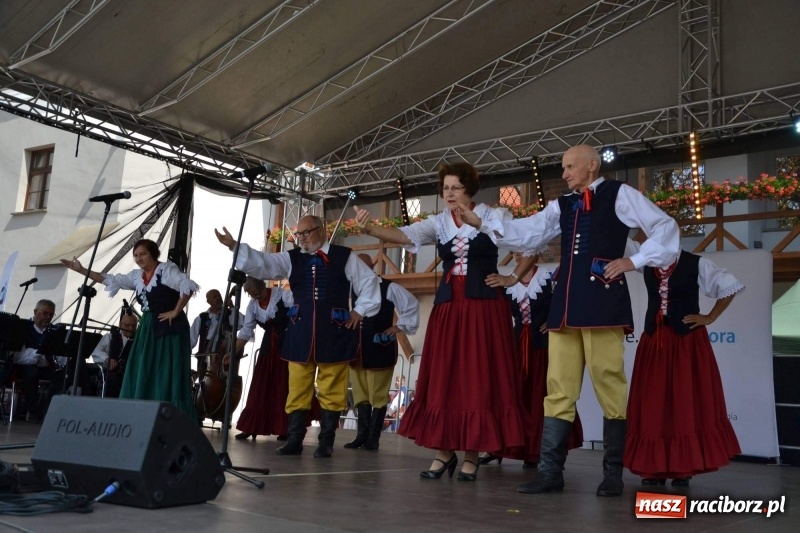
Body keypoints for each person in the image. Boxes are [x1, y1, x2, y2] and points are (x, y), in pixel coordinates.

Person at [458, 144, 680, 496]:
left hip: (602, 305)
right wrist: (483, 223)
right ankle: (550, 472)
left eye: (569, 167)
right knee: (558, 388)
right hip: (565, 307)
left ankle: (612, 475)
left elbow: (665, 228)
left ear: (592, 165)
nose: (563, 174)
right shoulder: (562, 205)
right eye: (562, 167)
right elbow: (529, 233)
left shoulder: (619, 194)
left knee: (609, 384)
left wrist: (632, 262)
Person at [353, 162, 528, 482]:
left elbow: (529, 244)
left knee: (478, 378)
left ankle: (473, 452)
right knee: (445, 378)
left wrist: (511, 277)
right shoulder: (439, 223)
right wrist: (370, 229)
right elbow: (403, 235)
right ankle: (445, 451)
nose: (449, 193)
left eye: (455, 188)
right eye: (445, 188)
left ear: (469, 190)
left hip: (484, 309)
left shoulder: (493, 216)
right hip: (449, 309)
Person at [215, 216, 381, 458]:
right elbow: (264, 263)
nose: (301, 238)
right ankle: (294, 439)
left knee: (332, 387)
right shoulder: (291, 258)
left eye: (306, 232)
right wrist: (234, 246)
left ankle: (326, 441)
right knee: (297, 386)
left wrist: (359, 310)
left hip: (334, 331)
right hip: (300, 331)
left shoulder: (345, 256)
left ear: (321, 231)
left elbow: (369, 283)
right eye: (298, 234)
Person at [624, 246, 743, 486]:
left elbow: (730, 285)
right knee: (653, 403)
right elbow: (624, 240)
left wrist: (710, 317)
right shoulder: (646, 261)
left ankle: (683, 467)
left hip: (685, 342)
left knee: (685, 401)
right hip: (654, 341)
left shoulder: (695, 263)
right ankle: (653, 468)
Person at [61, 239, 199, 417]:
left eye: (143, 254)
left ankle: (167, 413)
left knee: (165, 369)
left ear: (153, 254)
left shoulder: (166, 270)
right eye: (136, 255)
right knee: (143, 365)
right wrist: (81, 270)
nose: (139, 258)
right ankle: (142, 410)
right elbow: (110, 279)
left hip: (169, 328)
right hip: (149, 326)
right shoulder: (137, 276)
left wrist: (175, 311)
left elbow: (187, 286)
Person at [480, 255, 584, 468]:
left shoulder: (548, 277)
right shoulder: (508, 281)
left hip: (544, 348)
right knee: (513, 395)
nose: (519, 255)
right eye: (516, 251)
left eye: (524, 251)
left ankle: (541, 450)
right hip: (517, 346)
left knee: (541, 396)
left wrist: (553, 321)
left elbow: (568, 299)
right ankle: (502, 446)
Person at [345, 254, 419, 450]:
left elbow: (411, 304)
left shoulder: (388, 287)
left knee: (377, 394)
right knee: (360, 393)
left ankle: (373, 438)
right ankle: (361, 435)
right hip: (358, 350)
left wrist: (398, 327)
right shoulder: (351, 287)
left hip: (379, 348)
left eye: (363, 266)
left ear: (371, 266)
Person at [230, 277, 291, 441]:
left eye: (253, 291)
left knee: (283, 386)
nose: (252, 295)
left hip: (286, 346)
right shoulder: (252, 306)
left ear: (261, 286)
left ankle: (285, 428)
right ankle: (252, 427)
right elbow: (246, 332)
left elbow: (299, 315)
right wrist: (232, 353)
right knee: (260, 386)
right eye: (249, 292)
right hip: (267, 349)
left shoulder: (283, 295)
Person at [11, 299, 61, 422]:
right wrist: (37, 353)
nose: (48, 317)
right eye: (45, 313)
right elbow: (17, 355)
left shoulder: (53, 331)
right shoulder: (24, 328)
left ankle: (46, 411)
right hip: (25, 366)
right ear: (35, 312)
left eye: (51, 314)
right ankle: (31, 411)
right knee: (32, 374)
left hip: (45, 366)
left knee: (61, 376)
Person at [90, 311, 139, 398]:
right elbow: (96, 351)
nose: (131, 328)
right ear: (121, 324)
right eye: (127, 325)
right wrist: (106, 359)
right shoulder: (110, 337)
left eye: (134, 325)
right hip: (113, 379)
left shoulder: (139, 340)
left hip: (132, 378)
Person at [189, 289, 244, 353]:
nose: (218, 298)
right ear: (208, 301)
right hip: (205, 355)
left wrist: (232, 307)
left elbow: (243, 322)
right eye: (215, 297)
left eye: (219, 296)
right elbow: (191, 339)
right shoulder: (201, 317)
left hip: (225, 355)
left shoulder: (230, 313)